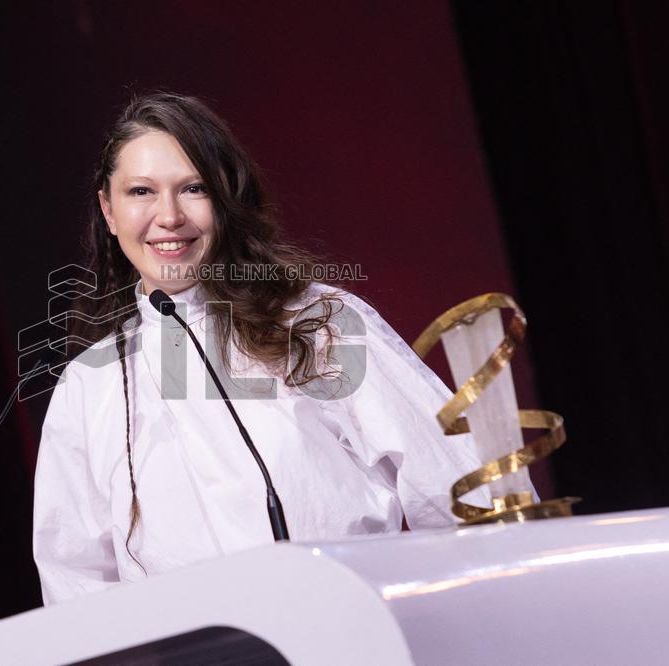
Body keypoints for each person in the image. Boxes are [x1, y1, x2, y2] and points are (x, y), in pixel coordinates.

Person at [32, 92, 489, 605]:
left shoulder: (318, 323)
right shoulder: (88, 384)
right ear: (108, 211)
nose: (169, 216)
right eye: (141, 191)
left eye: (193, 188)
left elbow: (460, 484)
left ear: (226, 201)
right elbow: (75, 585)